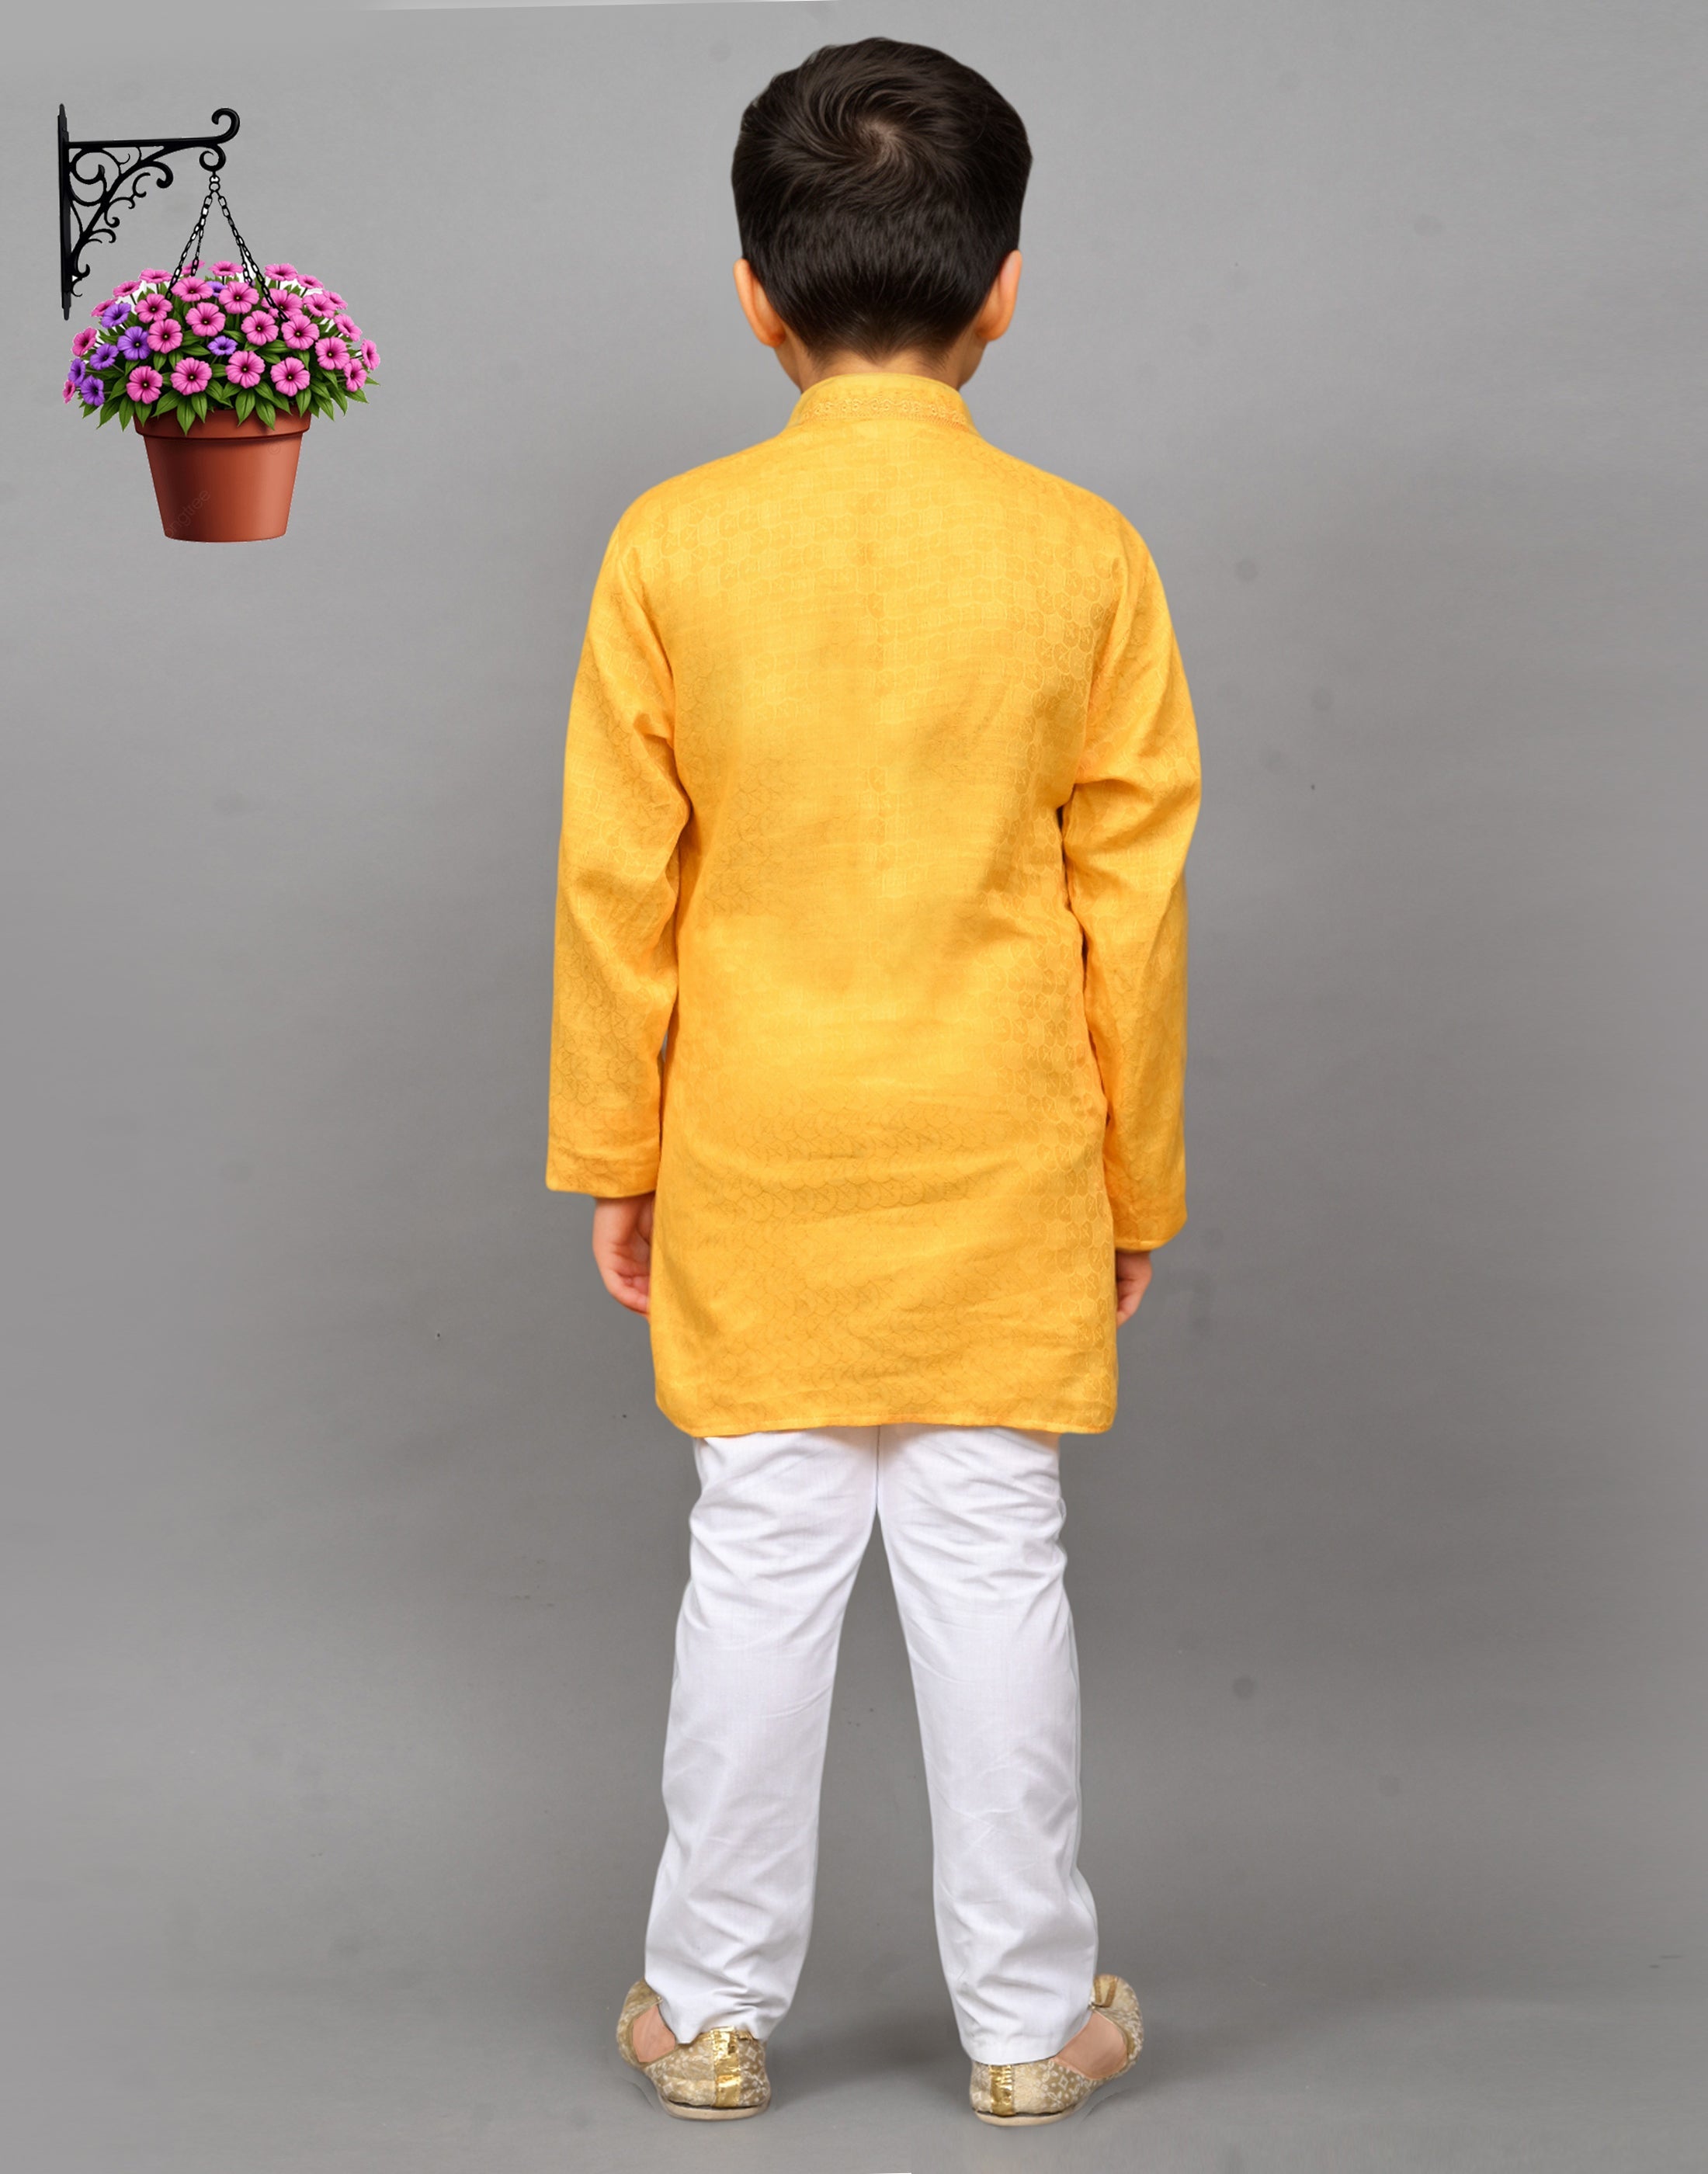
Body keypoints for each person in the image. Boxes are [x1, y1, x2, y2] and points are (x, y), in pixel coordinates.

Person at [547, 35, 1200, 2128]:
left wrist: (617, 1152)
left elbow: (617, 888)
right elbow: (1133, 908)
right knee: (996, 1562)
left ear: (756, 294)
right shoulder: (1085, 553)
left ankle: (707, 2006)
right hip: (1003, 1144)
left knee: (759, 1555)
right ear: (1006, 283)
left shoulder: (672, 545)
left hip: (757, 1139)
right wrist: (1136, 1183)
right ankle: (1026, 2024)